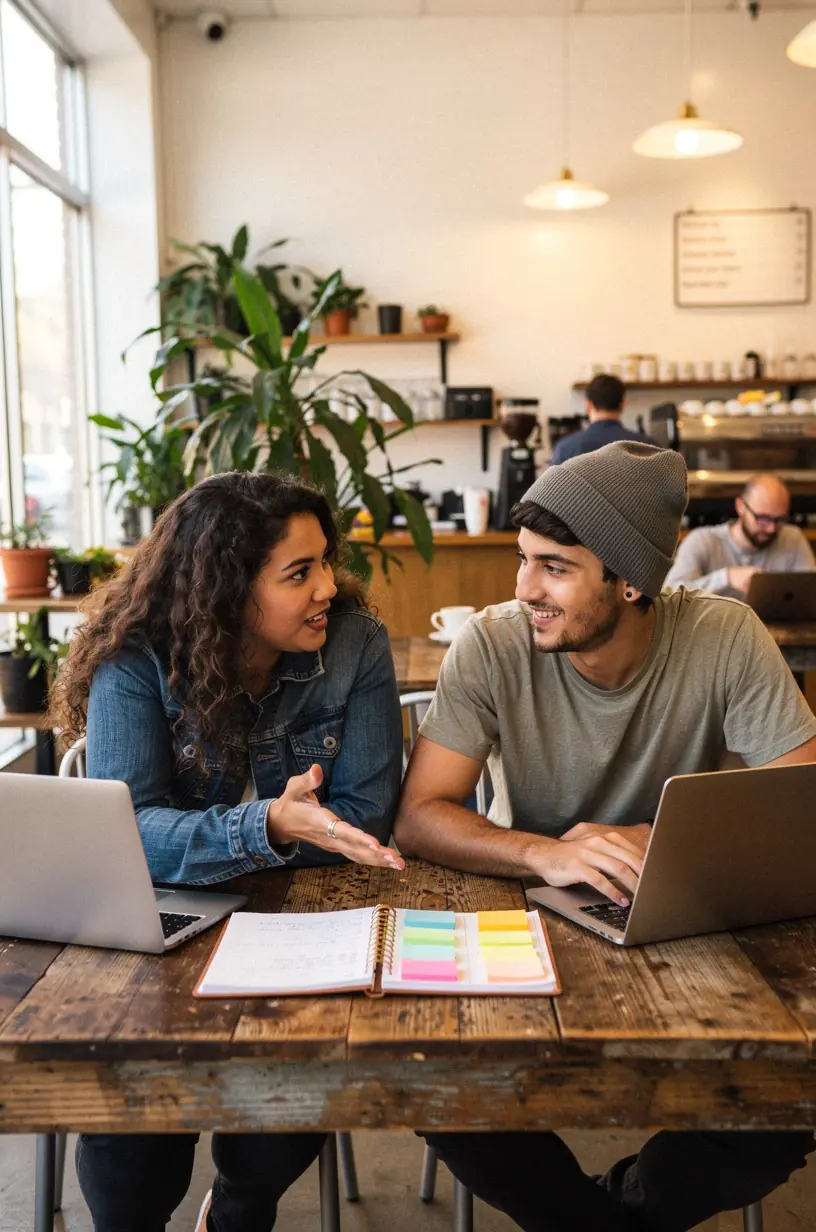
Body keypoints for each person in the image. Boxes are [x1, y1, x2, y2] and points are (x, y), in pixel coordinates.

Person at [394, 441, 816, 1232]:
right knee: (424, 1079)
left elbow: (803, 805)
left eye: (554, 568)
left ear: (630, 582)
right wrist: (544, 852)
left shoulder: (727, 637)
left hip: (690, 925)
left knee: (786, 1104)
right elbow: (421, 811)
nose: (525, 591)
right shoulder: (492, 643)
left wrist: (659, 838)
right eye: (523, 562)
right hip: (526, 920)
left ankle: (617, 1210)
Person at [49, 471, 405, 1232]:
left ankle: (238, 1212)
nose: (327, 589)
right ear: (225, 588)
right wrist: (265, 828)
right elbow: (126, 831)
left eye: (326, 562)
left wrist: (213, 844)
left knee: (291, 1100)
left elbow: (365, 816)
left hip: (298, 918)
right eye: (298, 572)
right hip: (162, 924)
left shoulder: (356, 646)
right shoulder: (138, 657)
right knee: (134, 1132)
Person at [665, 472, 814, 599]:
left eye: (780, 519)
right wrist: (726, 578)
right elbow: (670, 594)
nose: (771, 528)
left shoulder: (793, 539)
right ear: (741, 507)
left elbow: (810, 592)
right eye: (762, 518)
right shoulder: (702, 541)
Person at [551, 374, 657, 464]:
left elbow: (552, 488)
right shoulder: (648, 446)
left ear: (588, 405)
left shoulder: (564, 448)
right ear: (622, 405)